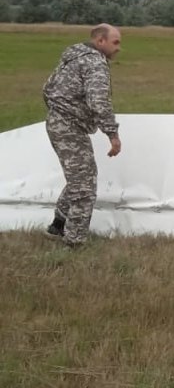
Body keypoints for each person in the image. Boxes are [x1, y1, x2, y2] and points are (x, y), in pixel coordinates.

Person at [43, 23, 123, 248]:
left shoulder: (73, 57)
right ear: (101, 41)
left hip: (58, 122)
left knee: (81, 177)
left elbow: (47, 88)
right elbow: (99, 101)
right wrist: (112, 134)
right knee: (85, 186)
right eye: (115, 42)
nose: (119, 48)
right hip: (68, 127)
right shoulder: (95, 62)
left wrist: (58, 111)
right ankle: (74, 243)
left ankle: (58, 225)